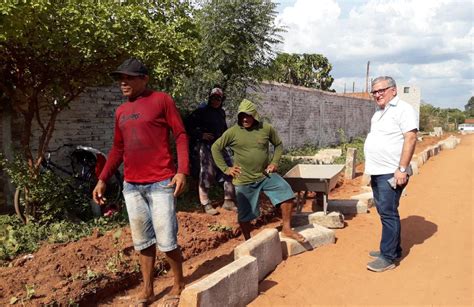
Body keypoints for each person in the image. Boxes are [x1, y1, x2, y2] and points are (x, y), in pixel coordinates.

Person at [92, 58, 188, 306]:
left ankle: (178, 284)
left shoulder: (161, 100)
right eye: (120, 78)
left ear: (144, 78)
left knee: (167, 240)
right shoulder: (121, 112)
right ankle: (147, 290)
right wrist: (103, 178)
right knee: (143, 241)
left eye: (129, 77)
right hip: (132, 185)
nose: (123, 82)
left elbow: (180, 135)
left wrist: (182, 171)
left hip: (161, 183)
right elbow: (117, 148)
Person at [211, 99, 307, 242]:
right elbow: (215, 148)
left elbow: (278, 145)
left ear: (254, 115)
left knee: (285, 191)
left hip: (264, 176)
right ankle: (248, 240)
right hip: (244, 180)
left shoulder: (266, 128)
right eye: (242, 116)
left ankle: (287, 228)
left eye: (248, 115)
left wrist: (274, 162)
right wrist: (226, 169)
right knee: (244, 214)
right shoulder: (232, 132)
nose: (245, 118)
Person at [364, 76, 418, 272]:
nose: (377, 94)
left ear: (393, 90)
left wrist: (402, 169)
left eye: (381, 90)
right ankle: (392, 249)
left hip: (392, 172)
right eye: (374, 91)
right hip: (377, 172)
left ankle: (388, 257)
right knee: (384, 212)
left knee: (388, 213)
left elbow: (410, 138)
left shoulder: (404, 109)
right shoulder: (378, 113)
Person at [185, 86, 237, 215]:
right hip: (206, 146)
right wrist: (201, 135)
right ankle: (206, 203)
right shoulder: (201, 111)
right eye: (213, 98)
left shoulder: (221, 112)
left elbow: (224, 129)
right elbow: (187, 126)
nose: (215, 101)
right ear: (210, 98)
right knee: (207, 172)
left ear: (222, 100)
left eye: (218, 98)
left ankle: (228, 201)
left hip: (219, 146)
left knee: (229, 170)